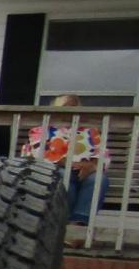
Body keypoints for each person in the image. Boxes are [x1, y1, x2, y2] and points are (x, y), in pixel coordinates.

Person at [20, 94, 111, 224]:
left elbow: (103, 154)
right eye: (65, 106)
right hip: (53, 171)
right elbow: (39, 154)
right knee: (64, 177)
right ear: (55, 108)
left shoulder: (91, 131)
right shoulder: (42, 130)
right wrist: (74, 164)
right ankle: (64, 223)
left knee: (99, 179)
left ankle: (79, 223)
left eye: (74, 107)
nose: (70, 110)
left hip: (85, 173)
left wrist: (91, 166)